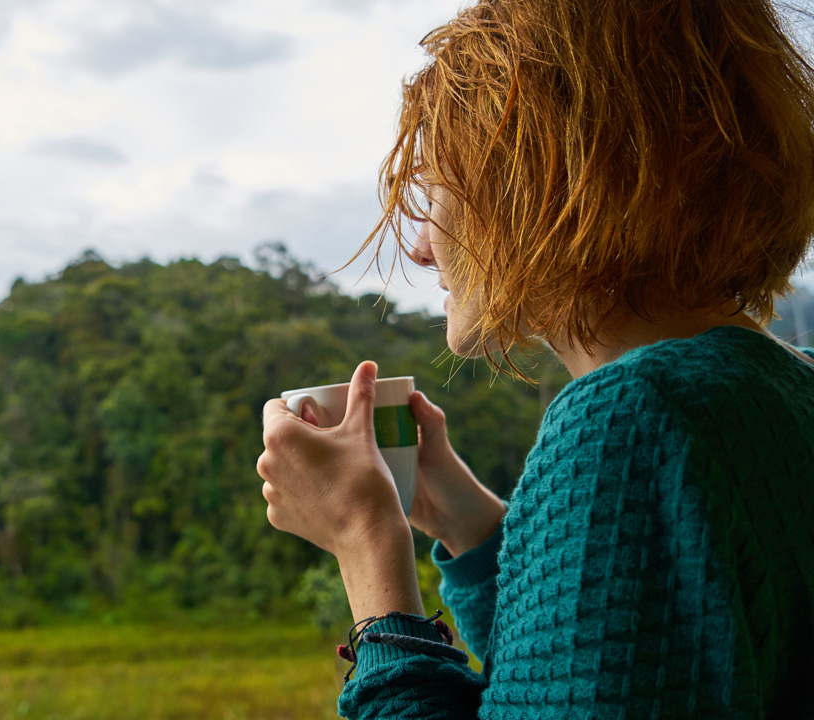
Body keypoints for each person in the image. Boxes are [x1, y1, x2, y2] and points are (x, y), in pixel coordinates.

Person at [257, 0, 814, 717]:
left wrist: (368, 551)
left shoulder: (630, 417)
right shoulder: (786, 385)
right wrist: (468, 524)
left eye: (435, 193)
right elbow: (607, 670)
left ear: (543, 181)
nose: (422, 247)